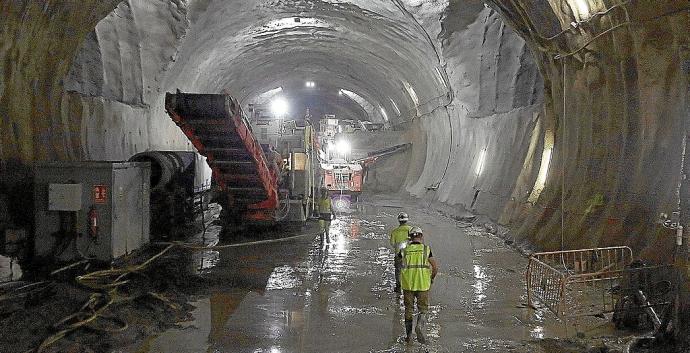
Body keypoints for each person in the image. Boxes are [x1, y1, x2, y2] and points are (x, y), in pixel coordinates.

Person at [399, 226, 438, 344]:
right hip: (423, 285)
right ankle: (419, 327)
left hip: (408, 285)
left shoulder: (404, 251)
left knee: (408, 310)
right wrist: (431, 278)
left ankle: (409, 336)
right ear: (421, 237)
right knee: (423, 309)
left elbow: (397, 263)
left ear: (410, 238)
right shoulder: (426, 250)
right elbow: (435, 267)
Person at [389, 212, 412, 293]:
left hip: (398, 255)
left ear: (399, 220)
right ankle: (408, 286)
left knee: (398, 271)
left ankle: (398, 286)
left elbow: (392, 243)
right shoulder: (411, 230)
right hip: (409, 255)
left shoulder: (395, 231)